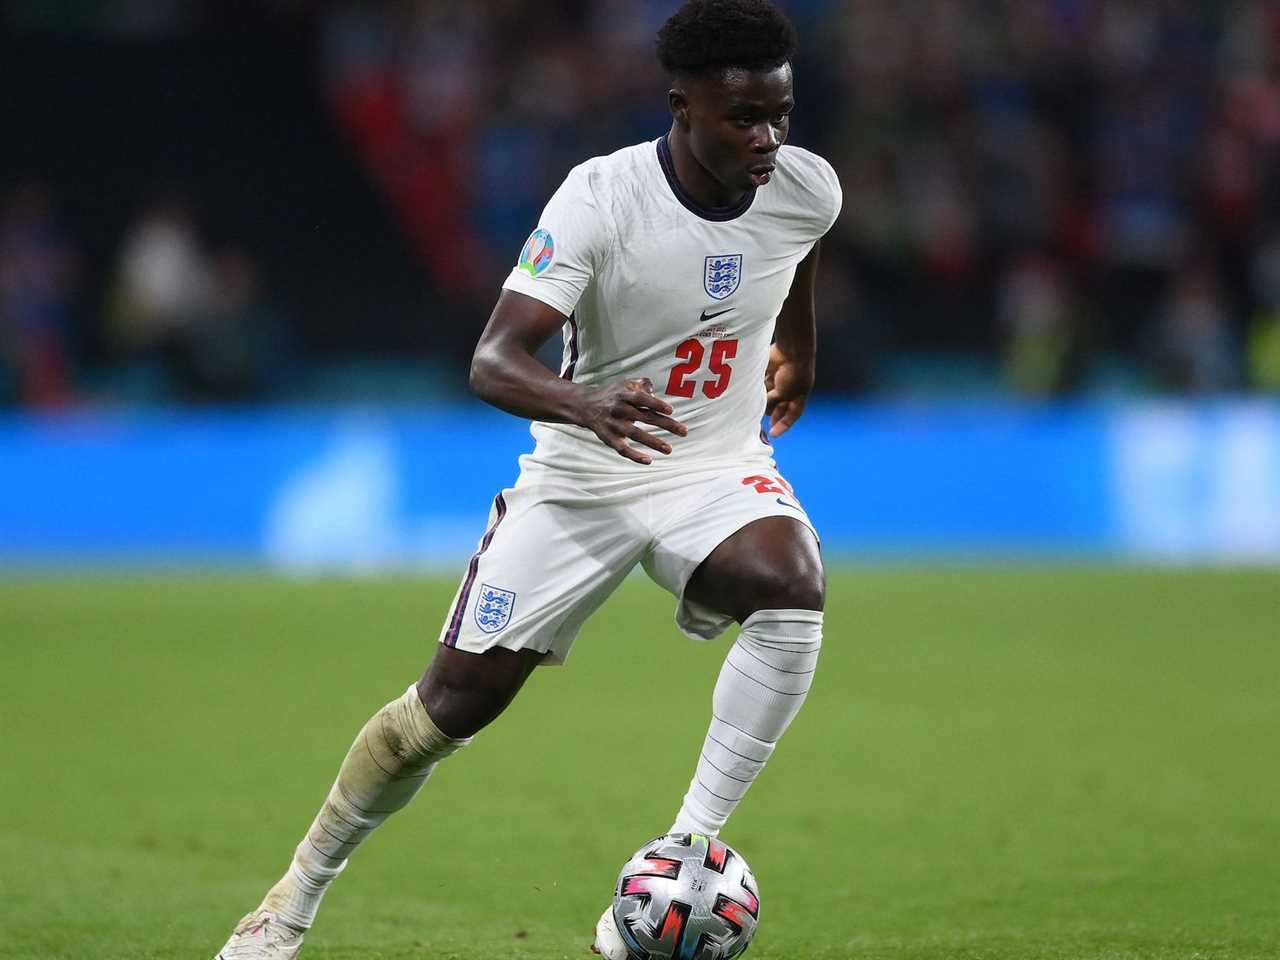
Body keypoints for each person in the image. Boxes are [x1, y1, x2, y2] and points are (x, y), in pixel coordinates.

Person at [214, 1, 840, 956]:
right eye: (742, 118)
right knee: (444, 710)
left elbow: (793, 253)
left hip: (714, 465)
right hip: (584, 474)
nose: (767, 139)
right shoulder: (599, 198)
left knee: (793, 581)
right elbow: (493, 360)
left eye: (780, 115)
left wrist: (794, 350)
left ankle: (684, 847)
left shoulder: (805, 186)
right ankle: (289, 902)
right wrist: (586, 403)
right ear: (682, 105)